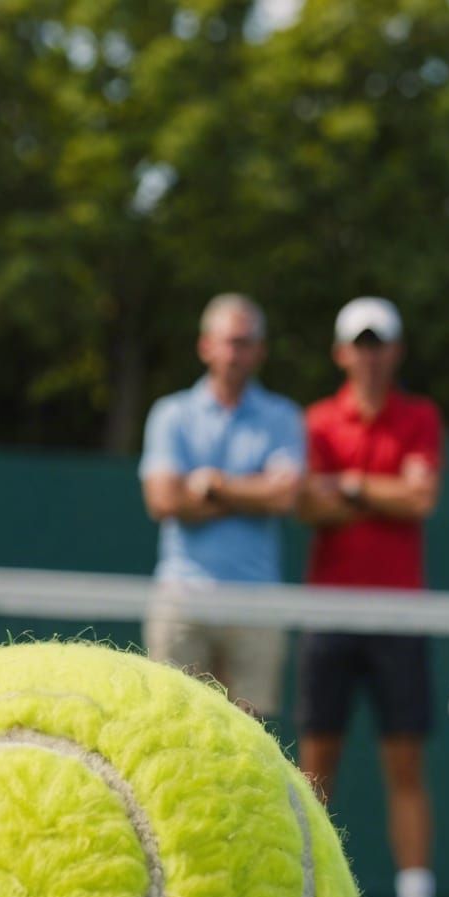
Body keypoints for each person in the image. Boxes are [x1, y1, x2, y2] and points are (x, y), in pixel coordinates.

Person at [298, 297, 449, 897]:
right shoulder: (316, 421)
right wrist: (376, 491)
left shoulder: (420, 417)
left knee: (405, 762)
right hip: (328, 611)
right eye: (358, 344)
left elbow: (419, 499)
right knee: (316, 763)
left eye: (379, 343)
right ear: (342, 354)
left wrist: (353, 487)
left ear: (394, 352)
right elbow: (310, 503)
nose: (369, 355)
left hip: (399, 612)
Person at [138, 294, 303, 718]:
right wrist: (252, 494)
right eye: (228, 341)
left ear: (260, 352)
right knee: (172, 728)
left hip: (256, 600)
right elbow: (163, 500)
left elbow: (284, 496)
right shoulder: (171, 414)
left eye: (245, 342)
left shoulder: (282, 416)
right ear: (205, 346)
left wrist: (213, 486)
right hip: (180, 596)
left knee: (253, 736)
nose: (235, 352)